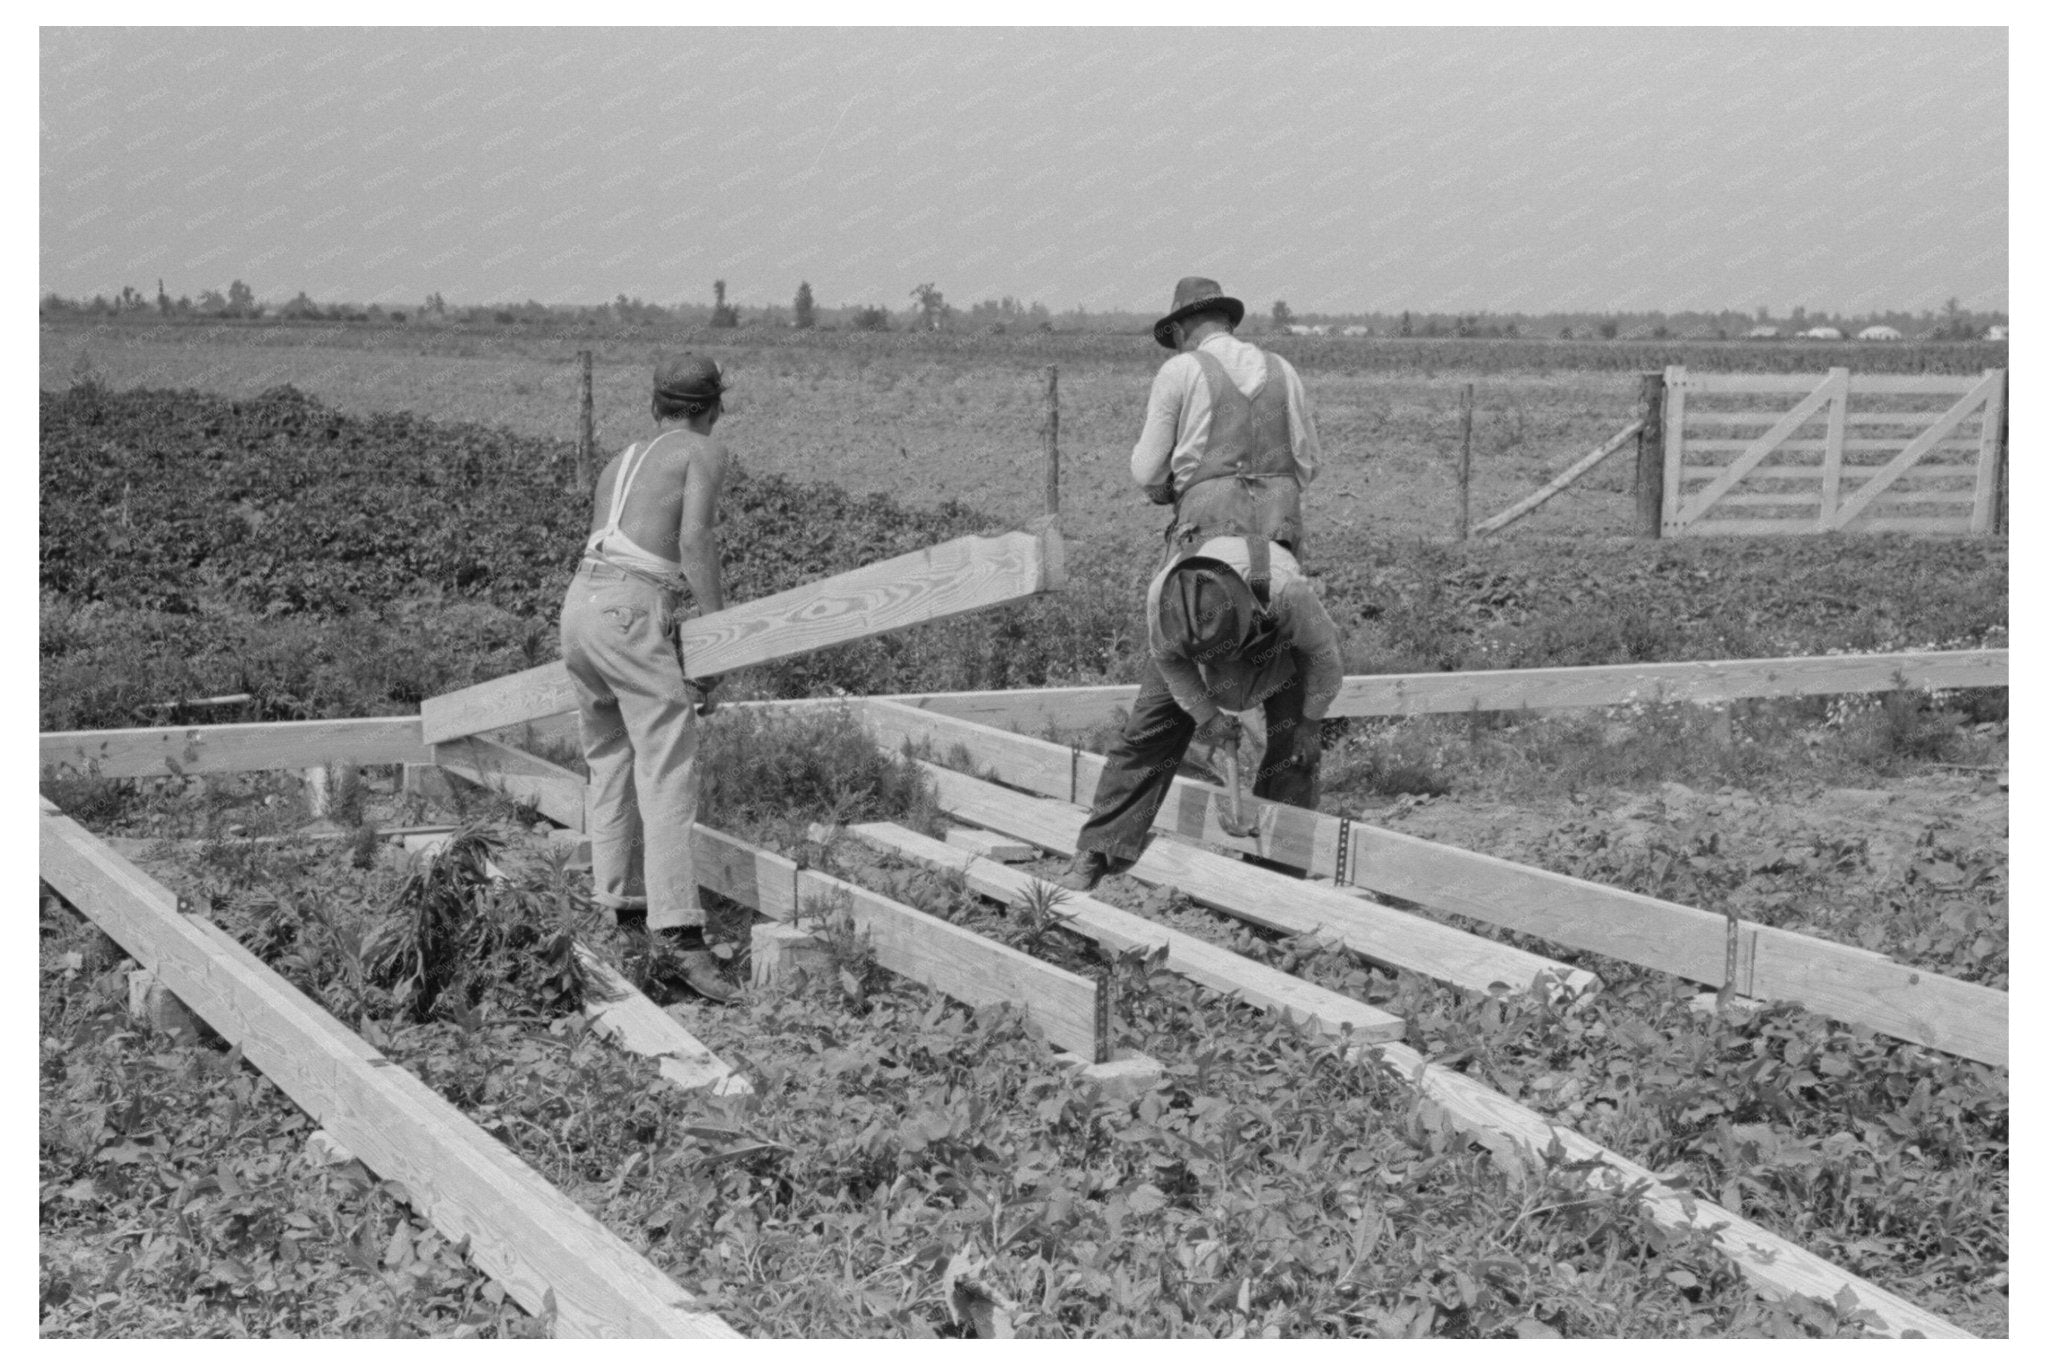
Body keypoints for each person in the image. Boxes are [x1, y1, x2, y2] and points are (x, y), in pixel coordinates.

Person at [559, 354, 735, 1001]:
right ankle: (680, 941)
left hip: (580, 606)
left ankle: (623, 921)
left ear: (654, 404)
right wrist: (720, 636)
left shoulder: (619, 460)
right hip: (630, 606)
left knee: (610, 759)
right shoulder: (700, 452)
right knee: (667, 765)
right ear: (714, 408)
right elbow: (693, 541)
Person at [1056, 533, 1344, 892]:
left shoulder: (1288, 593)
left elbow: (1325, 658)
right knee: (1144, 737)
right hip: (1185, 656)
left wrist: (1310, 722)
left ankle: (1275, 881)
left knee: (1296, 754)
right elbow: (1169, 663)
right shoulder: (1162, 600)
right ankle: (1098, 850)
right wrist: (1207, 716)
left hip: (1275, 651)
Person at [1132, 275, 1323, 563]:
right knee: (1301, 598)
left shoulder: (1179, 369)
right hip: (1281, 535)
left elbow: (1147, 471)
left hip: (1207, 533)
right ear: (1227, 322)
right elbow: (1311, 462)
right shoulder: (1283, 369)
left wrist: (1172, 488)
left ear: (1182, 330)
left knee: (1160, 601)